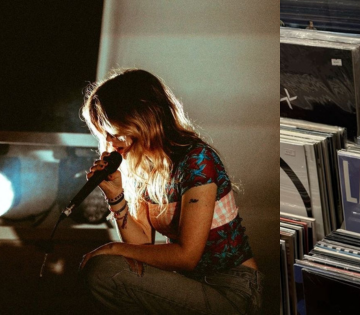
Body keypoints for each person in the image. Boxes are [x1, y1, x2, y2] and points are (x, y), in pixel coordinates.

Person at [78, 68, 262, 314]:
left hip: (231, 289)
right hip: (190, 283)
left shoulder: (197, 160)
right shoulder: (146, 168)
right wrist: (115, 196)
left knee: (105, 271)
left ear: (142, 119)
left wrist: (113, 248)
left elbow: (187, 256)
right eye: (105, 134)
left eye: (115, 132)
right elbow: (142, 243)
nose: (111, 143)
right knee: (104, 271)